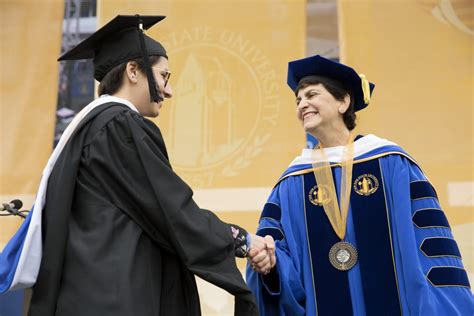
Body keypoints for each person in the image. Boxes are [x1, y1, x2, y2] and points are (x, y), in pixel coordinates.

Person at [0, 15, 275, 316]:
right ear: (133, 70)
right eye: (163, 76)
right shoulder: (120, 125)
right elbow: (172, 210)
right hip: (117, 296)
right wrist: (241, 240)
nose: (168, 90)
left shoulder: (89, 129)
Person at [246, 55, 473, 315]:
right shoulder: (291, 182)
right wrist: (270, 263)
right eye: (298, 100)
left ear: (343, 101)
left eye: (311, 95)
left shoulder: (390, 162)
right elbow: (279, 253)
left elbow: (431, 247)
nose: (302, 105)